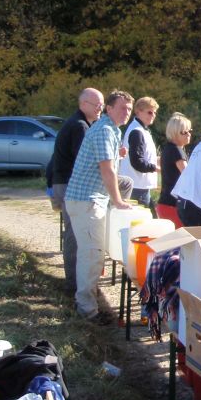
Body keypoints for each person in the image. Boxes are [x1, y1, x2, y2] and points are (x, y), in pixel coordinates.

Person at [65, 90, 134, 324]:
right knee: (91, 255)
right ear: (109, 109)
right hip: (86, 200)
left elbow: (108, 165)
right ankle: (87, 311)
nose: (126, 112)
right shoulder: (104, 130)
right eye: (122, 108)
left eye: (129, 109)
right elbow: (107, 170)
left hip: (90, 199)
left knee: (93, 254)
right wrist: (118, 201)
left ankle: (88, 304)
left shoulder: (112, 130)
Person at [49, 88, 105, 294]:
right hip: (68, 184)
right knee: (75, 235)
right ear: (83, 104)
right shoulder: (79, 126)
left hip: (63, 182)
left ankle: (75, 282)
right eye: (96, 104)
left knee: (75, 233)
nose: (100, 108)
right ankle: (73, 285)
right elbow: (86, 161)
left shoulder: (80, 123)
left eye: (102, 104)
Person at [119, 97, 160, 208]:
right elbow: (137, 162)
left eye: (154, 113)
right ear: (138, 111)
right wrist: (158, 169)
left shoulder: (142, 130)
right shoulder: (137, 131)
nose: (153, 115)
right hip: (136, 187)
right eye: (149, 112)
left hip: (140, 186)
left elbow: (145, 156)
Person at [156, 113, 192, 227]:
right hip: (172, 204)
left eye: (189, 131)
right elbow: (188, 175)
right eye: (184, 132)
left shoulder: (168, 149)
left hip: (165, 203)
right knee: (182, 237)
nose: (189, 134)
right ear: (175, 133)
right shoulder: (177, 151)